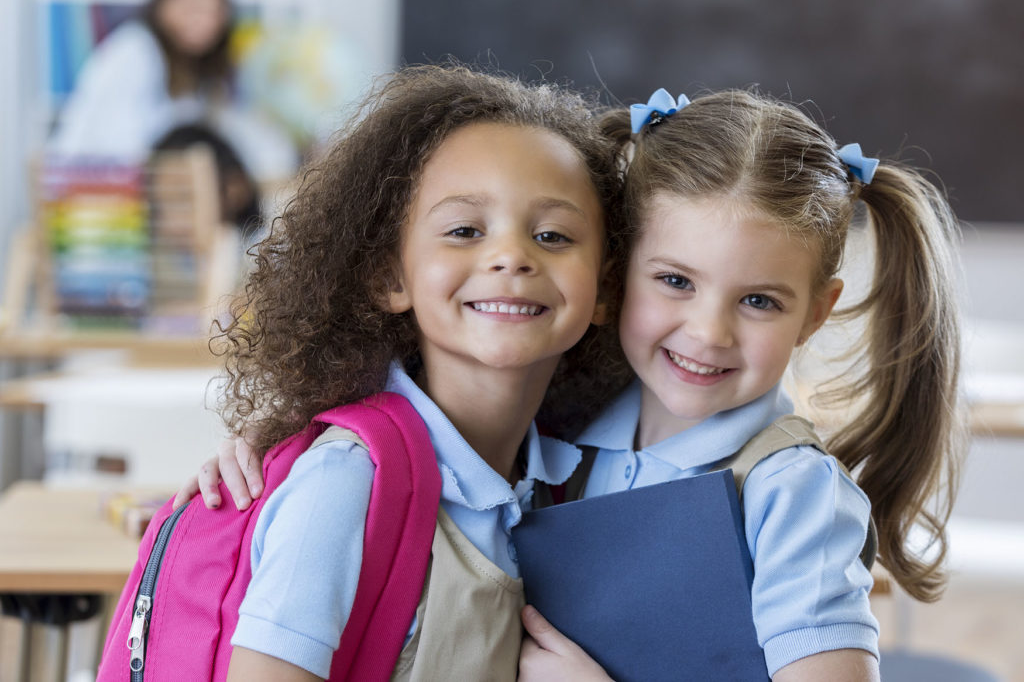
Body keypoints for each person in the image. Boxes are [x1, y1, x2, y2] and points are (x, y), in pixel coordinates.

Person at [184, 88, 966, 681]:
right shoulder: (554, 438)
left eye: (759, 300)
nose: (709, 332)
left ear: (816, 311)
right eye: (675, 282)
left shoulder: (789, 490)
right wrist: (277, 448)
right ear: (617, 279)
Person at [190, 63, 624, 680]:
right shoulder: (346, 484)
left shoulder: (564, 478)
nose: (510, 256)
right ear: (390, 277)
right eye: (464, 230)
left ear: (605, 288)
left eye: (553, 235)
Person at [48, 0, 297, 185]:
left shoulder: (198, 72)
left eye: (212, 9)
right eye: (189, 5)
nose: (201, 17)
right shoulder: (134, 52)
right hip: (96, 206)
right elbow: (120, 155)